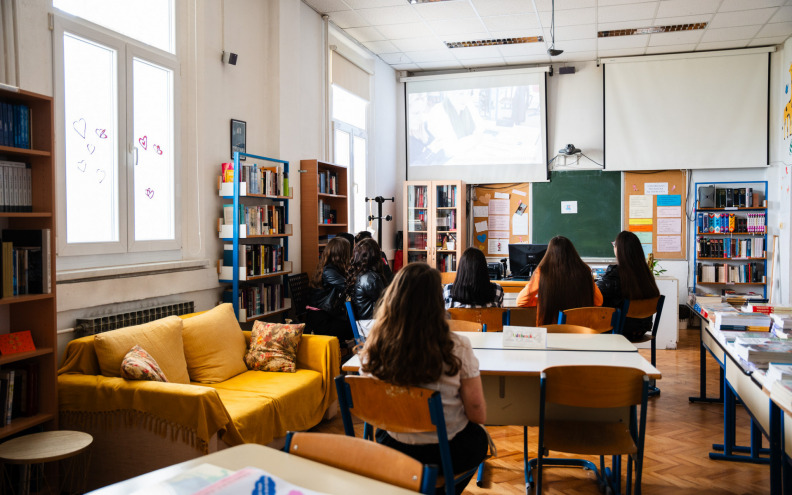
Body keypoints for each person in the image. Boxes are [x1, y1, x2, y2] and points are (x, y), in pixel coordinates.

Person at [360, 263, 488, 495]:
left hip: (394, 448)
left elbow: (371, 406)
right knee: (478, 438)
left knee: (381, 433)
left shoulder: (374, 345)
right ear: (437, 303)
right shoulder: (457, 346)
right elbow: (477, 412)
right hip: (446, 452)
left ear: (393, 298)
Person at [516, 235, 603, 325]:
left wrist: (541, 301)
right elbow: (598, 301)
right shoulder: (584, 270)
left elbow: (521, 301)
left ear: (549, 253)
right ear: (573, 252)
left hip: (550, 331)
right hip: (579, 330)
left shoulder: (542, 272)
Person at [597, 230, 661, 342]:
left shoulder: (615, 274)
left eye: (614, 244)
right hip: (641, 329)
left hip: (620, 330)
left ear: (619, 250)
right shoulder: (646, 274)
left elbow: (597, 293)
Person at [306, 237, 353, 343]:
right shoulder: (329, 271)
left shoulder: (333, 268)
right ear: (342, 253)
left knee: (354, 324)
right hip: (322, 319)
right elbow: (348, 287)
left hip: (327, 314)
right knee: (354, 327)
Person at [346, 238, 389, 320]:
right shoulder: (371, 278)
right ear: (375, 255)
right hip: (371, 324)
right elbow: (385, 304)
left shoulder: (358, 274)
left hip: (363, 321)